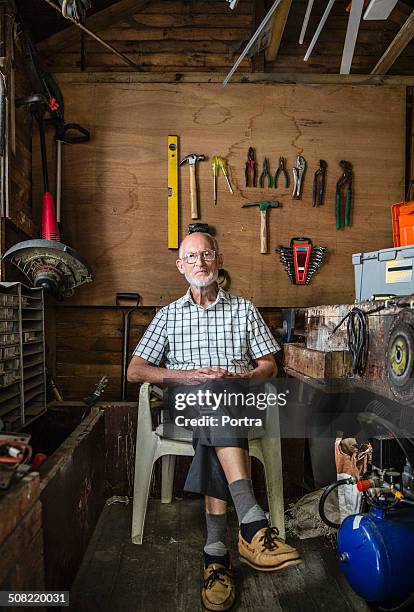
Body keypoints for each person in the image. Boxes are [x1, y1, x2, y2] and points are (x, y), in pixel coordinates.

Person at [127, 231, 302, 612]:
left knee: (218, 401)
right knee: (208, 393)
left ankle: (216, 556)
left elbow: (269, 366)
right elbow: (135, 370)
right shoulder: (168, 315)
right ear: (181, 267)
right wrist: (188, 378)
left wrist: (244, 379)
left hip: (237, 402)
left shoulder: (243, 309)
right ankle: (252, 525)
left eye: (207, 255)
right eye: (191, 257)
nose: (200, 263)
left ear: (219, 260)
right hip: (185, 404)